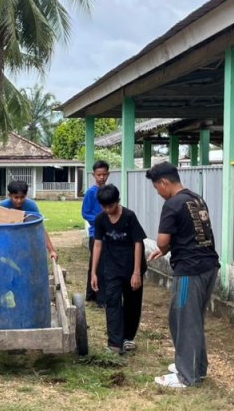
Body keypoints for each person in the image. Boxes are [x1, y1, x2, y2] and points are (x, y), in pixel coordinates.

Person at [146, 162, 219, 388]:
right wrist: (166, 249)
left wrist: (163, 246)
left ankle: (186, 376)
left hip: (190, 270)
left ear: (164, 182)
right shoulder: (195, 199)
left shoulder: (172, 204)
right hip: (209, 266)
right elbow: (193, 232)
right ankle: (197, 367)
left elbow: (163, 240)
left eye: (157, 187)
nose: (158, 192)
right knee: (192, 318)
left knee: (184, 320)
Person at [90, 184, 147, 354]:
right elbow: (98, 245)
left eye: (111, 205)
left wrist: (136, 272)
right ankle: (115, 343)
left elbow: (138, 243)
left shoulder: (129, 216)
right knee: (113, 302)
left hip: (132, 267)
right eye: (104, 206)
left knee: (132, 303)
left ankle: (128, 338)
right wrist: (94, 272)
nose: (108, 209)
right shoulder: (101, 219)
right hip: (111, 268)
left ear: (118, 201)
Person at [0, 180, 58, 261]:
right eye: (16, 197)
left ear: (26, 195)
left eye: (22, 197)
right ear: (10, 195)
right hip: (8, 242)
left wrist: (51, 251)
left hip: (28, 241)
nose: (19, 200)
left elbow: (40, 228)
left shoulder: (31, 206)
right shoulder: (3, 207)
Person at [82, 160, 111, 303]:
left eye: (104, 174)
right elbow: (85, 213)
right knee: (97, 265)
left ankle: (94, 295)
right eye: (99, 175)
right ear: (94, 175)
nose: (102, 177)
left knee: (103, 264)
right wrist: (101, 221)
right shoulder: (91, 193)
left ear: (108, 174)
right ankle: (98, 297)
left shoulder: (109, 191)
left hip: (108, 234)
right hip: (96, 234)